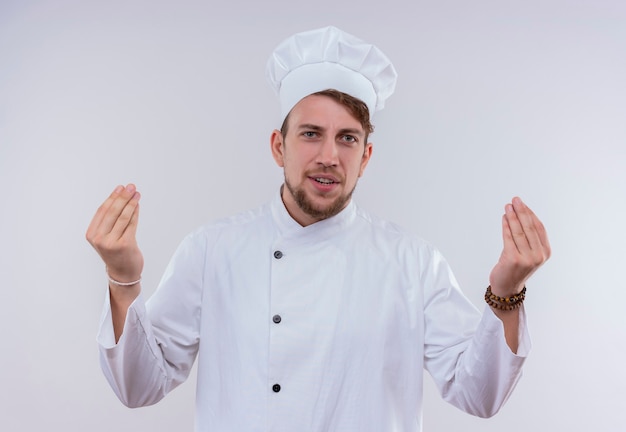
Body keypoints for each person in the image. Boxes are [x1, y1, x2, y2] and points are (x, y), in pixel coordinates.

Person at [86, 26, 550, 431]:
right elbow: (139, 387)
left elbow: (480, 395)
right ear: (278, 146)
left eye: (347, 138)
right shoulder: (212, 251)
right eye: (311, 133)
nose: (329, 155)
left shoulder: (414, 263)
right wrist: (122, 281)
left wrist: (505, 291)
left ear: (366, 156)